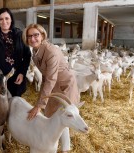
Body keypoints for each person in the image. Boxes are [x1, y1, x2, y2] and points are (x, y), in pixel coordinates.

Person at [22, 23, 81, 153]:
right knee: (54, 116)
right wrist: (40, 101)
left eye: (36, 35)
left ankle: (65, 149)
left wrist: (39, 105)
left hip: (65, 86)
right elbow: (46, 77)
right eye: (29, 36)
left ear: (42, 35)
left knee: (64, 115)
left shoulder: (51, 51)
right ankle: (53, 143)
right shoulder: (35, 51)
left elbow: (50, 78)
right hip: (53, 85)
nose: (32, 39)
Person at [0, 8, 31, 97]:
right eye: (1, 19)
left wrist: (22, 73)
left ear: (11, 20)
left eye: (7, 18)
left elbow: (27, 56)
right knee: (0, 105)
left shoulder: (20, 35)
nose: (4, 21)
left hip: (16, 77)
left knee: (15, 103)